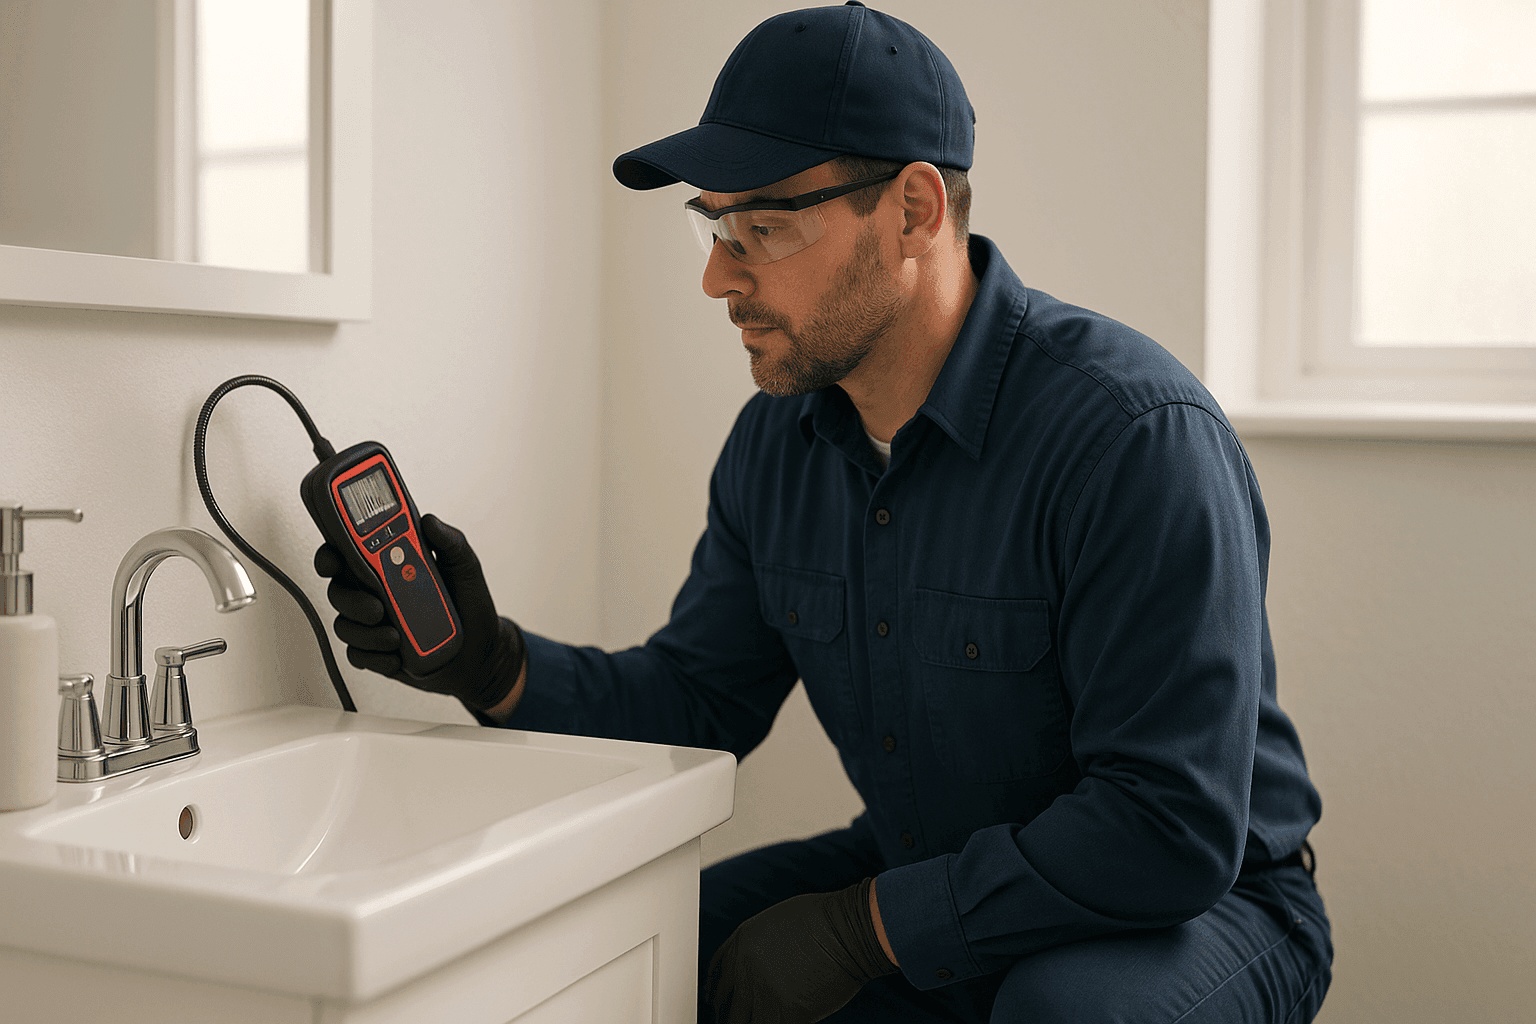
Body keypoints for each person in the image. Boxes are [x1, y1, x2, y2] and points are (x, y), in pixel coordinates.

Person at [316, 3, 1332, 1021]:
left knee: (1066, 1012)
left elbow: (1166, 826)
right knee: (639, 938)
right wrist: (490, 663)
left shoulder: (1133, 438)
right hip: (931, 861)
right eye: (717, 226)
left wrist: (864, 930)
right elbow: (698, 700)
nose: (717, 276)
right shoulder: (778, 445)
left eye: (764, 228)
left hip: (1196, 907)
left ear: (913, 212)